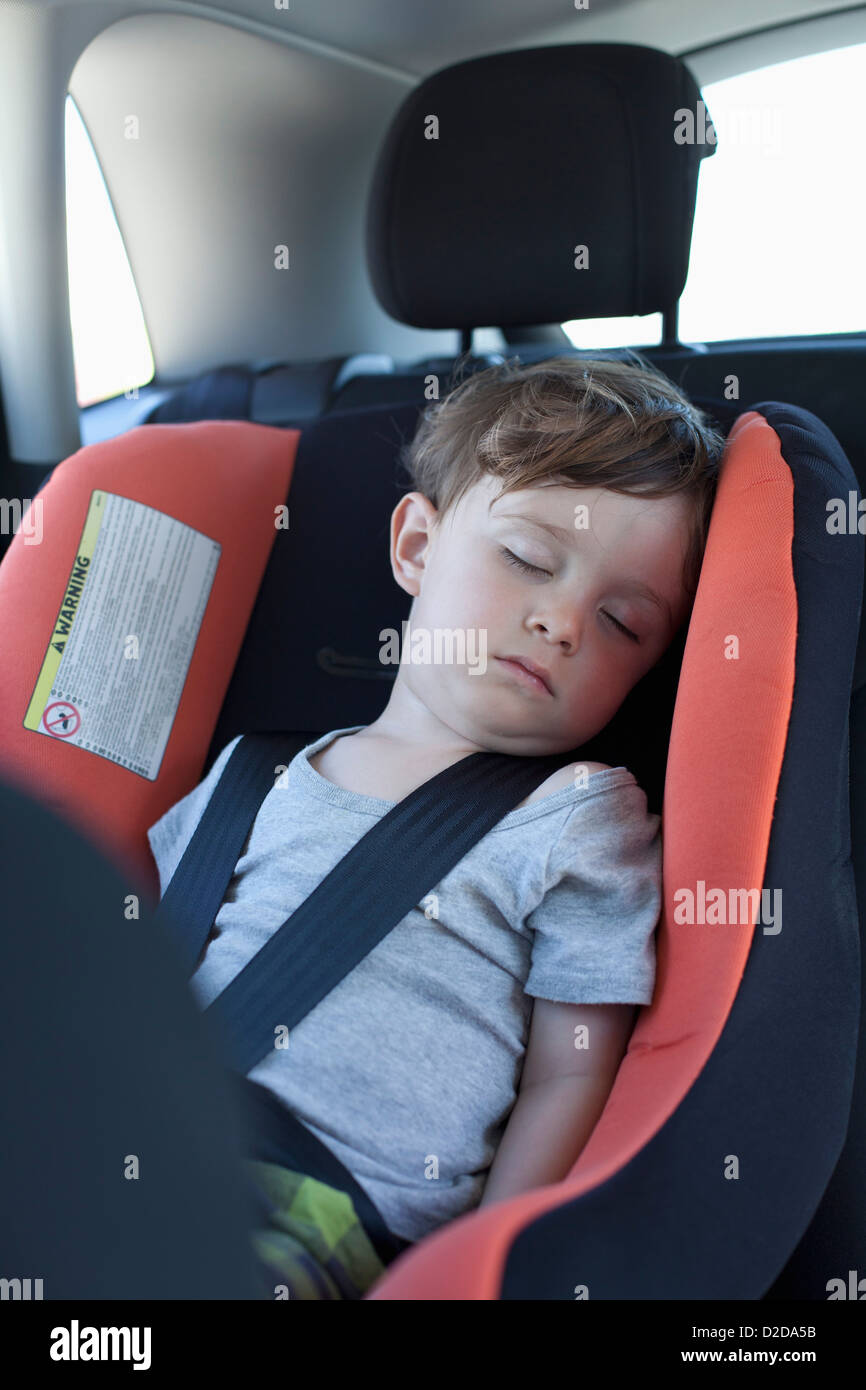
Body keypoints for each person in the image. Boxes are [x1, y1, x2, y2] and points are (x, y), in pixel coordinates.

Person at [147, 353, 725, 1298]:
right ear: (417, 549)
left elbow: (568, 1077)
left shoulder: (578, 818)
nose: (564, 622)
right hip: (129, 1144)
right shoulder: (252, 775)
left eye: (622, 622)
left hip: (321, 1214)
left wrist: (489, 1261)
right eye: (529, 561)